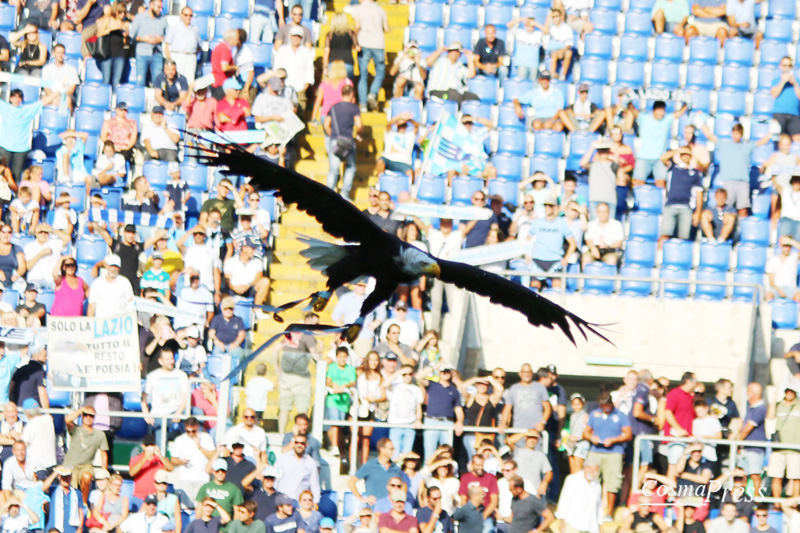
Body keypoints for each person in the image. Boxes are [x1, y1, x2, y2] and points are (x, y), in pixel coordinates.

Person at [700, 122, 772, 217]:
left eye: (738, 133)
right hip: (729, 182)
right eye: (734, 133)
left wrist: (771, 132)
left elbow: (761, 142)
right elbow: (710, 136)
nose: (736, 136)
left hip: (743, 183)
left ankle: (742, 229)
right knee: (727, 209)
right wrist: (702, 124)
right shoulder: (725, 145)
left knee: (743, 209)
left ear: (741, 135)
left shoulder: (747, 146)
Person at [582, 392, 631, 521]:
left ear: (611, 403)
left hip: (614, 452)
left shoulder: (621, 416)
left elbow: (628, 434)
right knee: (590, 481)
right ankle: (589, 510)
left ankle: (609, 513)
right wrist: (592, 437)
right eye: (603, 406)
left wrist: (614, 440)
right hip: (596, 451)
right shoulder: (594, 414)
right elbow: (586, 432)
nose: (605, 409)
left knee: (612, 483)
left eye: (607, 406)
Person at [0, 89, 60, 180]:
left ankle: (15, 194)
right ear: (10, 98)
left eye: (19, 97)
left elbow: (43, 103)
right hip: (4, 146)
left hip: (21, 148)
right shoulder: (5, 107)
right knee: (2, 174)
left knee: (16, 176)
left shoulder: (27, 110)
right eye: (14, 97)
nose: (17, 99)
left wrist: (57, 92)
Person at [142, 346, 190, 444]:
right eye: (167, 359)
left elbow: (186, 397)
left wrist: (178, 412)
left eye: (172, 358)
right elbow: (144, 397)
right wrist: (146, 414)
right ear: (160, 361)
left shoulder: (181, 375)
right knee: (160, 432)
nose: (171, 361)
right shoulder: (153, 376)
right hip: (159, 412)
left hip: (177, 409)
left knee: (195, 415)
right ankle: (161, 455)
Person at [659, 146, 705, 245]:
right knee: (665, 235)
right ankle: (659, 256)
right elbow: (663, 158)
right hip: (671, 205)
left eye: (687, 154)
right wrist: (677, 150)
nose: (685, 157)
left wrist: (698, 212)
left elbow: (699, 193)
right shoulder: (673, 168)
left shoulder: (695, 173)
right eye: (683, 154)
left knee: (683, 237)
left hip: (686, 207)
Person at [418, 366, 464, 461]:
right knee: (429, 453)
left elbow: (458, 408)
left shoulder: (454, 391)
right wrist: (432, 368)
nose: (444, 373)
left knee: (447, 452)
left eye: (447, 372)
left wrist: (459, 421)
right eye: (443, 371)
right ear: (439, 372)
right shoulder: (431, 385)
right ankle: (428, 474)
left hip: (447, 422)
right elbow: (419, 378)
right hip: (431, 421)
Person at [324, 85, 362, 199]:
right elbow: (359, 125)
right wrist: (359, 134)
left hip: (335, 141)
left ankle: (328, 194)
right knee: (350, 167)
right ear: (352, 94)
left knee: (333, 170)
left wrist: (333, 136)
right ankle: (345, 194)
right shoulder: (354, 108)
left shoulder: (334, 107)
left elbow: (326, 125)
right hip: (348, 141)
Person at [352, 0, 389, 111]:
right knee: (380, 73)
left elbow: (357, 26)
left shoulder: (358, 9)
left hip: (364, 42)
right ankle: (373, 93)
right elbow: (386, 28)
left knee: (363, 75)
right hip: (378, 43)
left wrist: (354, 39)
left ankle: (363, 105)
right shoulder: (380, 10)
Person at [170, 417, 215, 503]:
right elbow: (173, 460)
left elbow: (213, 456)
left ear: (198, 427)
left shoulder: (206, 438)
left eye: (193, 431)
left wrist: (199, 447)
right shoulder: (179, 440)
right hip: (185, 478)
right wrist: (181, 462)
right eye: (188, 431)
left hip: (203, 478)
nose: (191, 434)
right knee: (187, 506)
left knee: (201, 505)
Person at [734, 382, 767, 497]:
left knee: (754, 475)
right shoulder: (751, 408)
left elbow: (748, 429)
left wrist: (738, 442)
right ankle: (741, 497)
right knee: (741, 475)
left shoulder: (760, 409)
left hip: (755, 448)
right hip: (747, 448)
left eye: (748, 391)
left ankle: (757, 499)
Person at [273, 26, 315, 114]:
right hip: (284, 87)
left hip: (300, 88)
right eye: (294, 36)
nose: (296, 38)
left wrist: (305, 87)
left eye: (299, 36)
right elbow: (277, 68)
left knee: (299, 116)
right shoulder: (282, 50)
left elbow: (310, 71)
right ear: (290, 36)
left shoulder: (307, 52)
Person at [349, 438, 403, 505]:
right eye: (391, 449)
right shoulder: (369, 466)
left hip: (391, 511)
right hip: (374, 509)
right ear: (382, 449)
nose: (394, 451)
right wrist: (362, 499)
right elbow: (351, 482)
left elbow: (403, 485)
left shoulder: (396, 468)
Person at [386, 365, 424, 457]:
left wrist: (418, 420)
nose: (407, 376)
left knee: (407, 454)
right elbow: (384, 385)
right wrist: (399, 372)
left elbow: (419, 408)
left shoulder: (416, 389)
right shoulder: (395, 386)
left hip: (410, 424)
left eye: (410, 374)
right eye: (405, 374)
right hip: (395, 424)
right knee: (394, 453)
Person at [274, 433, 320, 503]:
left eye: (302, 443)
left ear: (306, 445)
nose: (299, 445)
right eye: (297, 442)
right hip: (282, 500)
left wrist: (315, 502)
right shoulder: (283, 459)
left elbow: (314, 485)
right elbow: (275, 479)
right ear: (293, 443)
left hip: (300, 502)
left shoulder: (311, 463)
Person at [129, 0, 167, 87]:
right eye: (158, 7)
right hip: (142, 54)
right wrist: (143, 38)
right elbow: (132, 36)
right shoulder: (139, 18)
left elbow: (167, 37)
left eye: (161, 8)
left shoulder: (163, 19)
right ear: (151, 5)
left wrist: (161, 39)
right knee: (140, 81)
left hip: (157, 54)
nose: (160, 10)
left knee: (157, 83)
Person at [458, 454, 498, 533]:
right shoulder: (465, 478)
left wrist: (483, 516)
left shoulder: (491, 478)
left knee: (488, 530)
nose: (480, 468)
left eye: (482, 465)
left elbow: (494, 501)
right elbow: (463, 500)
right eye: (477, 465)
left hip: (486, 515)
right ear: (472, 464)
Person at [129, 434, 173, 501]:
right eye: (147, 446)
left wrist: (160, 456)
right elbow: (132, 473)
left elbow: (171, 468)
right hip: (140, 497)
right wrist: (144, 459)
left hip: (156, 497)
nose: (150, 448)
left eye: (152, 445)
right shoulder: (136, 459)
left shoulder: (159, 459)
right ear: (143, 446)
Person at [164, 6, 200, 84]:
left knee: (190, 81)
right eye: (186, 15)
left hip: (190, 57)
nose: (188, 17)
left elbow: (199, 46)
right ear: (181, 15)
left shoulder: (195, 29)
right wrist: (170, 60)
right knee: (177, 80)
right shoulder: (173, 28)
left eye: (190, 15)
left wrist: (193, 55)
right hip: (177, 56)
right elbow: (166, 46)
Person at [375, 115, 418, 180]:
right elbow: (388, 124)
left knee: (410, 173)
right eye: (400, 125)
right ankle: (381, 181)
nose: (402, 127)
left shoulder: (410, 136)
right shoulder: (391, 133)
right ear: (397, 125)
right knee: (380, 161)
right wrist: (400, 117)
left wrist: (408, 119)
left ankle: (409, 187)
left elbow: (417, 126)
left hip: (404, 163)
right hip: (389, 160)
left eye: (404, 125)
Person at [582, 202, 624, 267]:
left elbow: (619, 242)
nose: (603, 214)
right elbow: (588, 240)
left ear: (609, 212)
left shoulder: (617, 224)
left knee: (611, 260)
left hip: (610, 250)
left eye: (605, 211)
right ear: (597, 213)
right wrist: (594, 249)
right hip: (594, 249)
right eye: (600, 212)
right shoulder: (591, 224)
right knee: (586, 258)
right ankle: (585, 276)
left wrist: (608, 246)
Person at [42, 466, 84, 533]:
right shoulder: (53, 490)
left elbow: (81, 511)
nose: (65, 479)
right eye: (63, 477)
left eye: (67, 476)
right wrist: (56, 472)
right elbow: (43, 488)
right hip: (54, 529)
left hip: (72, 529)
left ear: (71, 477)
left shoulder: (76, 493)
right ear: (59, 477)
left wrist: (80, 528)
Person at [513, 431, 552, 498]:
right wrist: (525, 433)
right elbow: (509, 441)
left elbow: (549, 472)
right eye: (530, 437)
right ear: (526, 438)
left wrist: (545, 483)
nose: (532, 440)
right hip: (518, 491)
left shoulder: (541, 455)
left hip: (533, 492)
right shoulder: (517, 451)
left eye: (535, 438)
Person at [41, 44, 79, 110]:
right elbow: (46, 87)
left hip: (65, 96)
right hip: (51, 95)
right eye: (58, 53)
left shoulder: (72, 70)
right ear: (54, 53)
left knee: (67, 100)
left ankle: (68, 119)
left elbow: (71, 90)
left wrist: (59, 96)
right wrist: (54, 97)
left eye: (62, 53)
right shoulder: (46, 69)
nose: (60, 55)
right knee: (44, 100)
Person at [771, 57, 800, 142]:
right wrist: (782, 82)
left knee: (797, 139)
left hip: (794, 115)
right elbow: (774, 94)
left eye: (789, 66)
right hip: (779, 114)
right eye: (784, 65)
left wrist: (795, 84)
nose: (787, 68)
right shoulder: (776, 81)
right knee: (779, 139)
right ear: (780, 66)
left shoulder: (797, 82)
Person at [545, 9, 574, 80]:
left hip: (563, 49)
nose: (555, 18)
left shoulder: (567, 28)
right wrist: (548, 17)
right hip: (553, 50)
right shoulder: (551, 28)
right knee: (554, 53)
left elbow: (569, 43)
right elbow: (545, 31)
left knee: (569, 53)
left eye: (556, 16)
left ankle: (563, 75)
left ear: (561, 17)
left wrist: (562, 51)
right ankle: (552, 73)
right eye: (553, 17)